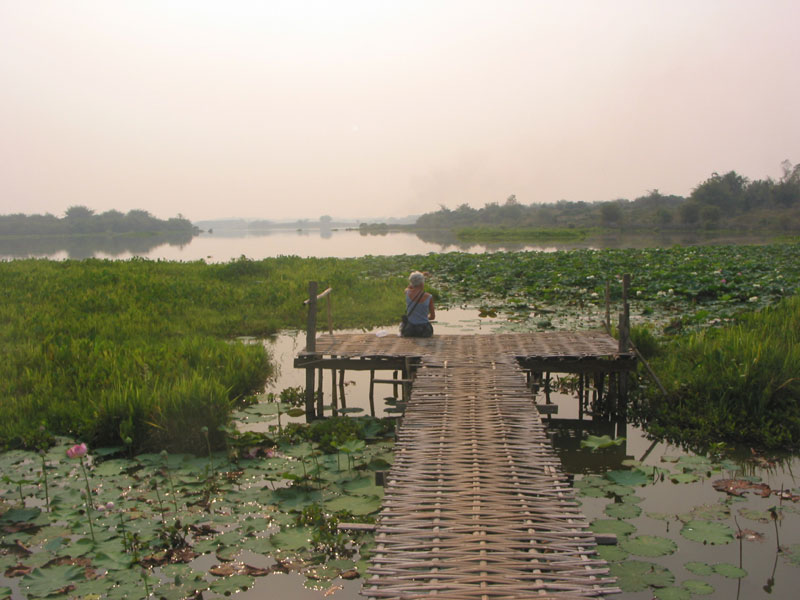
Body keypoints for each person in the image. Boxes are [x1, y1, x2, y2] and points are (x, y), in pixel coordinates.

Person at [402, 271, 435, 337]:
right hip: (424, 331)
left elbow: (409, 287)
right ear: (422, 283)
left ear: (412, 282)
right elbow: (432, 317)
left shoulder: (407, 292)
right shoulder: (429, 297)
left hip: (410, 330)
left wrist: (419, 277)